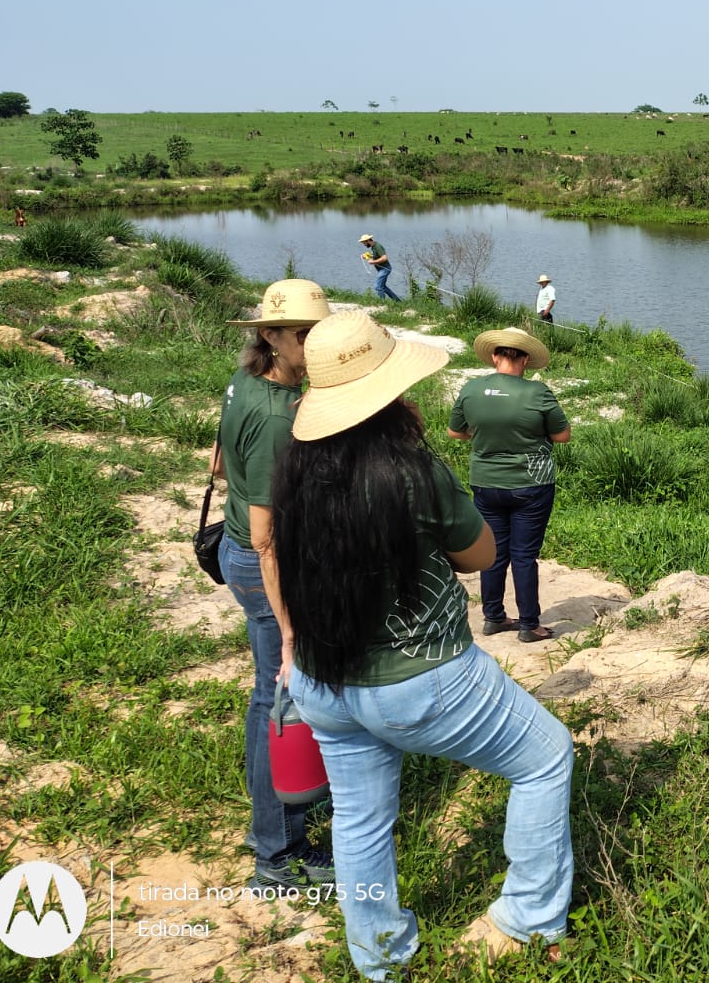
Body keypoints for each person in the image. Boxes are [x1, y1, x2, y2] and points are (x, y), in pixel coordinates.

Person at [270, 309, 574, 978]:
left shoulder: (293, 468)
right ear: (390, 394)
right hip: (419, 680)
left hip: (323, 679)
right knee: (547, 756)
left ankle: (380, 956)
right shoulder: (410, 471)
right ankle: (524, 921)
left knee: (358, 820)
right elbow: (478, 554)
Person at [218, 279, 335, 890]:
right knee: (279, 703)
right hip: (266, 568)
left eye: (319, 332)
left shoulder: (246, 384)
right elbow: (266, 538)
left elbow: (217, 464)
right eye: (301, 335)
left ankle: (269, 828)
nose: (312, 344)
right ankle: (278, 855)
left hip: (240, 554)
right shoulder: (273, 415)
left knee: (268, 700)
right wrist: (289, 625)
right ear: (270, 336)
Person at [448, 327, 571, 642]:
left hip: (486, 484)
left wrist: (483, 435)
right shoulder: (538, 393)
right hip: (532, 484)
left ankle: (494, 617)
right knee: (524, 555)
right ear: (526, 360)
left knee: (495, 552)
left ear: (494, 356)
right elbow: (562, 435)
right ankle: (530, 625)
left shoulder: (471, 389)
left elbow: (455, 432)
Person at [357, 234, 401, 302]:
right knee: (383, 287)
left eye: (364, 243)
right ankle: (397, 301)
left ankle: (382, 303)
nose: (364, 245)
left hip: (385, 269)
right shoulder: (373, 247)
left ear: (368, 240)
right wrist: (367, 256)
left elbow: (384, 258)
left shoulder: (377, 246)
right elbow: (376, 256)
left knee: (378, 286)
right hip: (382, 269)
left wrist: (373, 262)